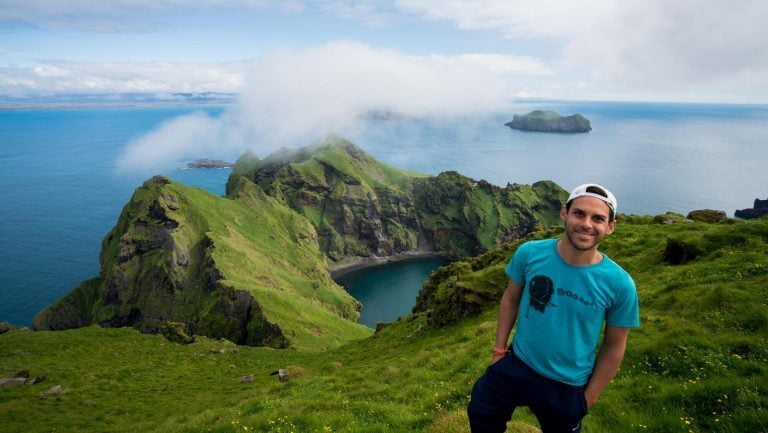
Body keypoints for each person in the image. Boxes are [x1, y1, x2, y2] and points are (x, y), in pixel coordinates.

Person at [467, 183, 640, 433]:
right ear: (564, 214)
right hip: (518, 362)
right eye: (579, 213)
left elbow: (614, 345)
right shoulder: (530, 253)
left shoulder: (620, 285)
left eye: (598, 218)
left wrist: (588, 397)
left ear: (610, 227)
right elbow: (510, 299)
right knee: (482, 411)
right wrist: (498, 352)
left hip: (567, 384)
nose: (586, 224)